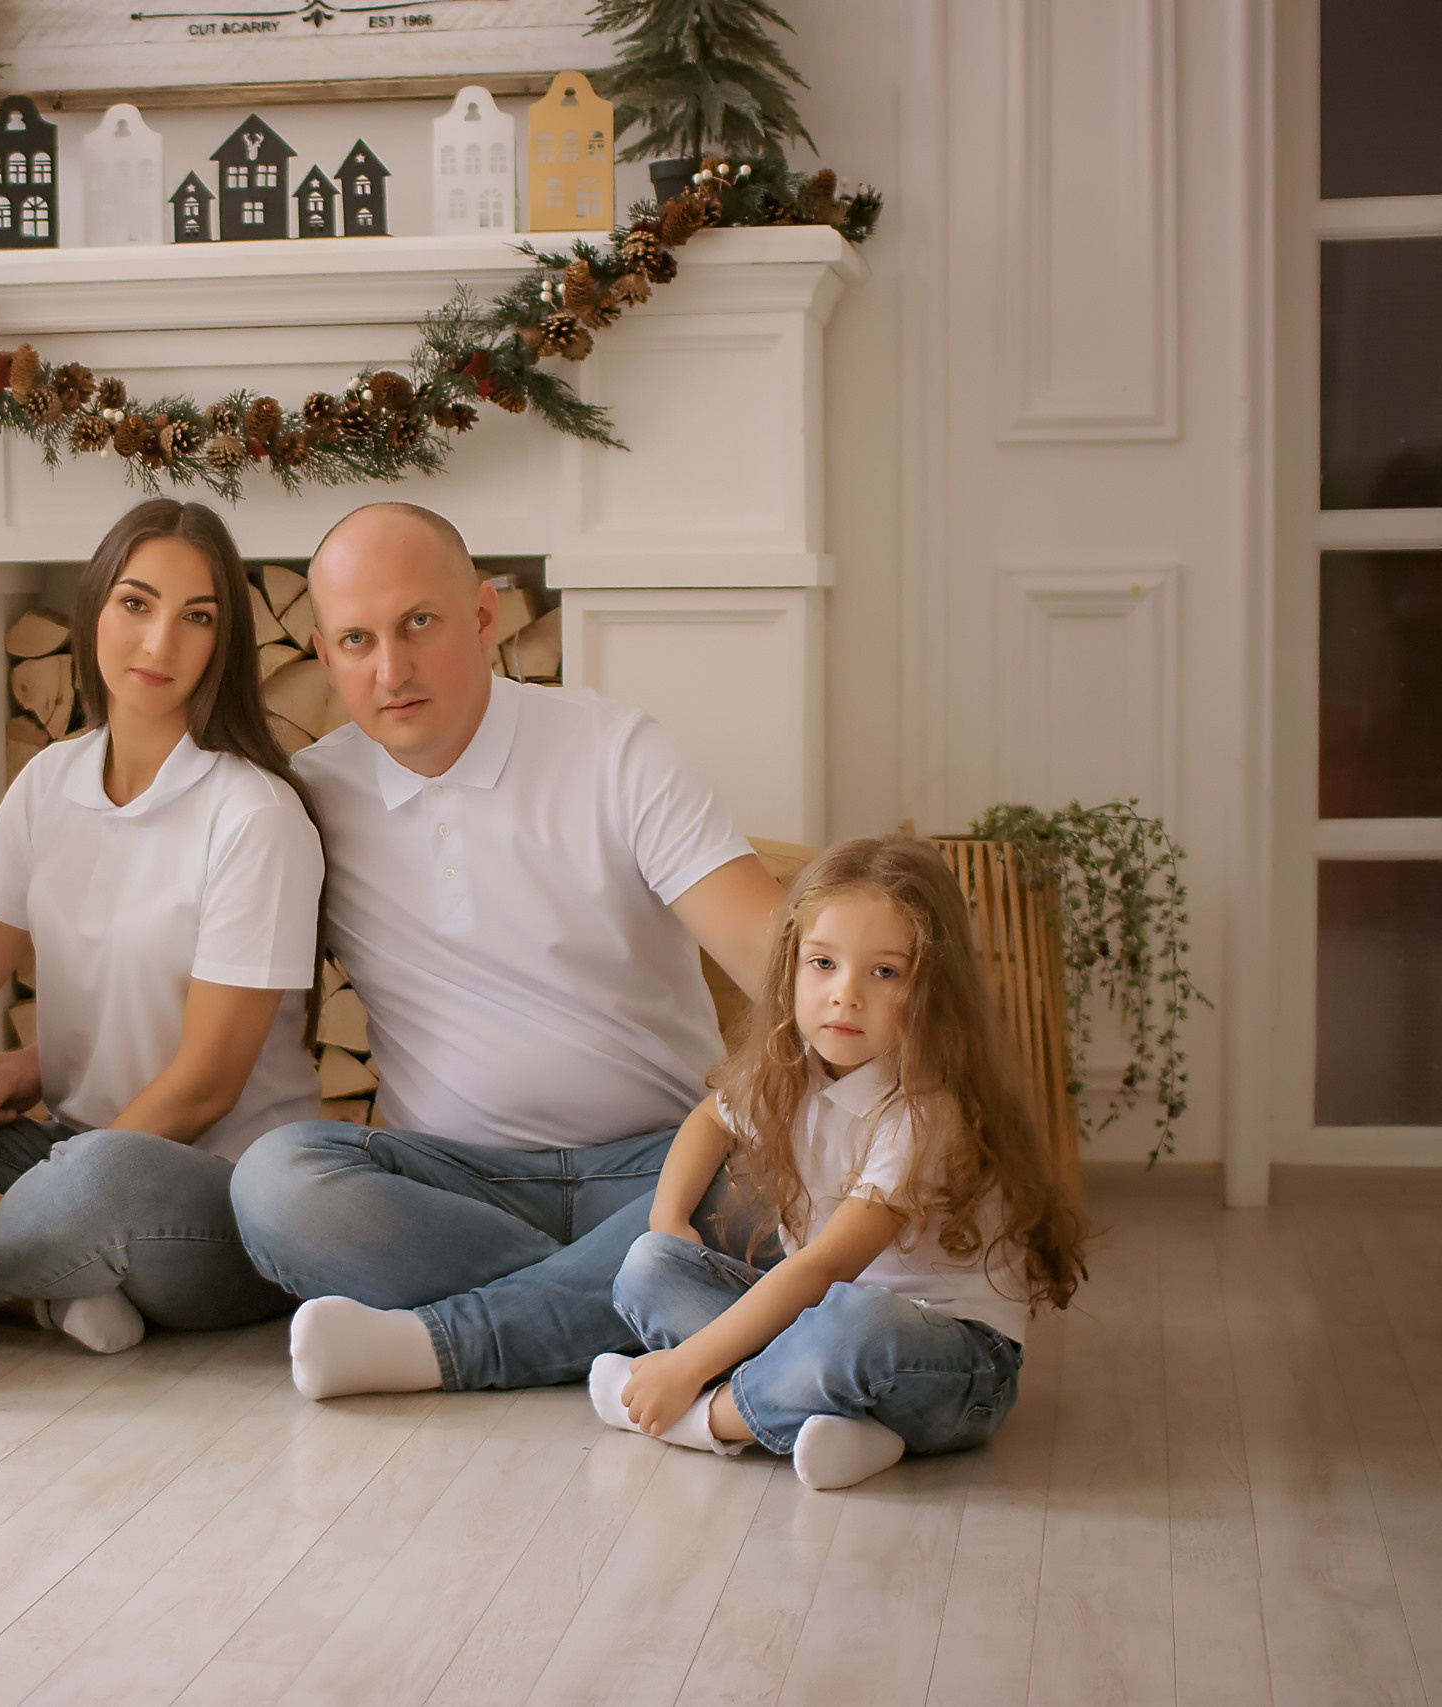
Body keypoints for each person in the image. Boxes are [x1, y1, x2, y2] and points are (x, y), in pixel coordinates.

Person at [229, 502, 790, 1398]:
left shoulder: (618, 752)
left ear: (485, 615)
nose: (391, 670)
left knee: (779, 1178)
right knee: (274, 1184)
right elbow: (219, 978)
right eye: (357, 640)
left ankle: (449, 1342)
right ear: (325, 657)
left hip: (663, 1171)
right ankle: (631, 1301)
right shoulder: (307, 801)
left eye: (419, 622)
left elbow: (781, 964)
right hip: (453, 1192)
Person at [0, 498, 324, 1352]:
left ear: (224, 641)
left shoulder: (255, 815)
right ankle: (52, 1289)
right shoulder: (49, 782)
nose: (160, 643)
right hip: (70, 1150)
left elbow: (205, 1086)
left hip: (210, 1199)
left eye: (196, 617)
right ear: (95, 607)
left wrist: (47, 1195)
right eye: (136, 603)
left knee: (96, 1183)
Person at [589, 835, 1089, 1490]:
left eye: (885, 972)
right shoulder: (791, 1068)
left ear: (933, 990)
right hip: (820, 1320)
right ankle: (849, 1427)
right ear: (791, 967)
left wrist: (686, 1368)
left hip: (953, 1363)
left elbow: (825, 1267)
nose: (845, 994)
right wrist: (670, 1217)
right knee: (650, 1263)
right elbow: (711, 1120)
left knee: (855, 1323)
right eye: (823, 963)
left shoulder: (926, 1113)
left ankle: (709, 1420)